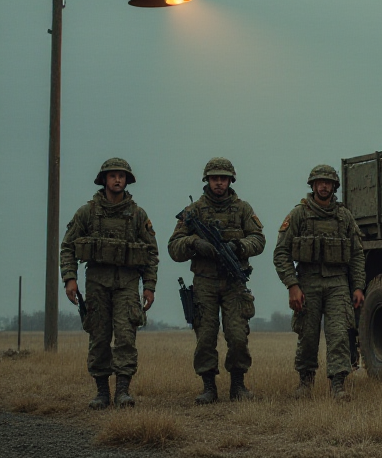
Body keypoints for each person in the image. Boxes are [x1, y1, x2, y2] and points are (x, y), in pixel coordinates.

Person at [61, 158, 159, 409]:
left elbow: (151, 253)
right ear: (104, 179)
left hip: (127, 283)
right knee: (99, 336)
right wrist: (69, 279)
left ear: (127, 181)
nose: (117, 180)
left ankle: (123, 391)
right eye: (112, 175)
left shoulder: (138, 215)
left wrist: (149, 286)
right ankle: (102, 392)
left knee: (126, 337)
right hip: (96, 284)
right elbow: (68, 247)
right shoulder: (87, 213)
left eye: (122, 176)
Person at [168, 157, 265, 404]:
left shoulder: (243, 209)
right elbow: (173, 248)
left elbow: (259, 240)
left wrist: (238, 246)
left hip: (234, 284)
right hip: (205, 283)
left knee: (238, 336)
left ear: (230, 180)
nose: (219, 183)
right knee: (205, 337)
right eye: (214, 178)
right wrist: (193, 242)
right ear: (207, 180)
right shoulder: (193, 212)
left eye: (223, 178)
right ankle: (208, 387)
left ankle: (238, 386)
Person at [274, 165, 365, 401]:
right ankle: (305, 383)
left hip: (337, 284)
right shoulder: (299, 215)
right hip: (308, 282)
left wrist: (357, 286)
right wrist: (292, 285)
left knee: (339, 335)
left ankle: (338, 385)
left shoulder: (344, 216)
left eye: (328, 182)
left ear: (334, 186)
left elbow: (356, 254)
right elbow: (281, 253)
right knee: (307, 335)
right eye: (319, 182)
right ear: (312, 185)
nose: (323, 186)